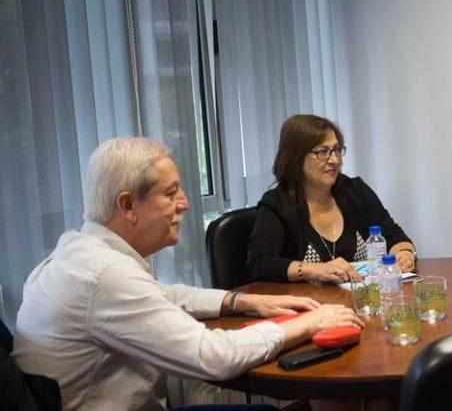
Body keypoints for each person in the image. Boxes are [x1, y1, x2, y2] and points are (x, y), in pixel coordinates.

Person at [13, 137, 363, 411]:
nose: (184, 203)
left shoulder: (79, 254)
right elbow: (214, 357)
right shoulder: (104, 275)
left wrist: (242, 300)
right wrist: (308, 323)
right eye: (170, 193)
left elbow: (164, 295)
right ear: (127, 205)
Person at [248, 114, 417, 285]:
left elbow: (394, 235)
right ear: (296, 158)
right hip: (310, 307)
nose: (335, 160)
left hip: (362, 302)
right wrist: (313, 269)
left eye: (337, 150)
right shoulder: (278, 204)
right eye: (323, 152)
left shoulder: (355, 191)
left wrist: (404, 253)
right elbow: (259, 264)